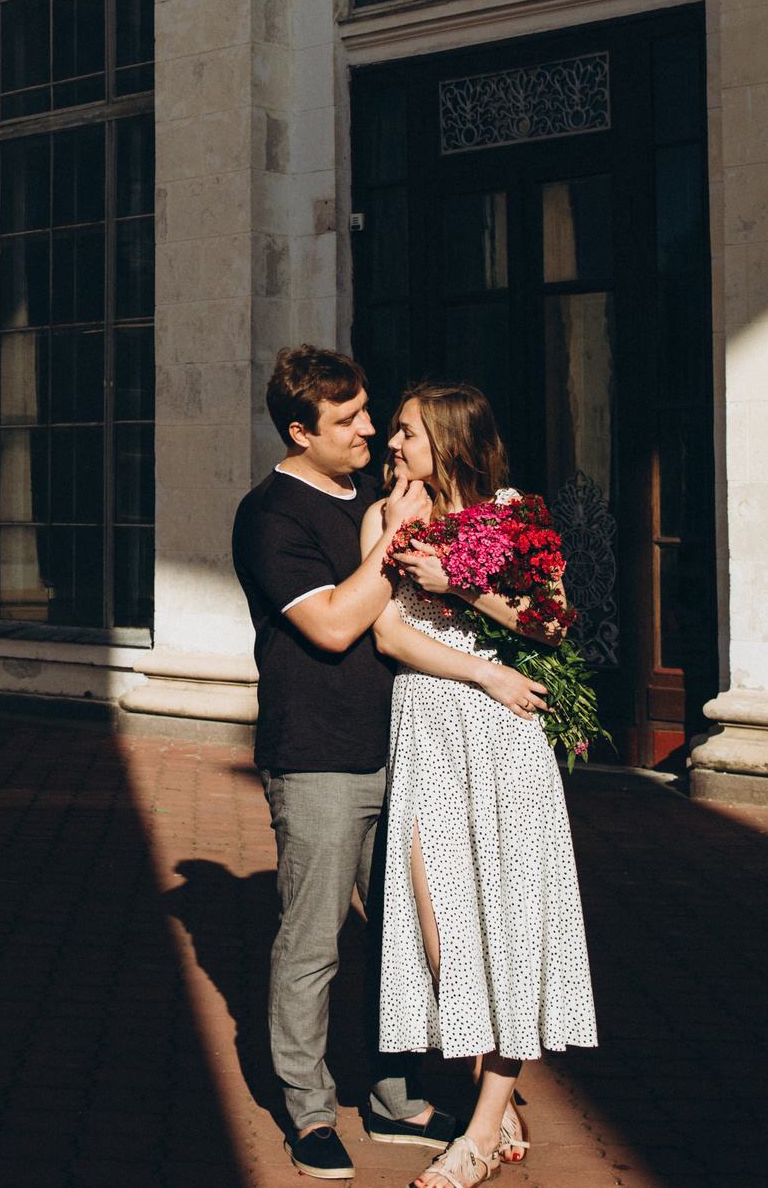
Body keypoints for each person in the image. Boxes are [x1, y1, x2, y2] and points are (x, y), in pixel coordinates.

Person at [230, 346, 467, 1179]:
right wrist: (395, 538)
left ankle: (394, 1098)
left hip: (401, 746)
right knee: (314, 943)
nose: (371, 428)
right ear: (301, 431)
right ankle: (306, 1109)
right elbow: (333, 624)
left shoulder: (375, 494)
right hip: (319, 756)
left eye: (370, 411)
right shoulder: (271, 515)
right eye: (349, 419)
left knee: (400, 937)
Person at [366, 380, 600, 1187]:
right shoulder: (390, 516)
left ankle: (480, 1130)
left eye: (406, 433)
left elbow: (553, 620)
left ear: (451, 442)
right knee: (441, 933)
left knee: (507, 923)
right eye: (393, 432)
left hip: (505, 740)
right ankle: (495, 1101)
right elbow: (387, 630)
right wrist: (479, 671)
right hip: (431, 725)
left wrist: (459, 584)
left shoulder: (516, 515)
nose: (391, 445)